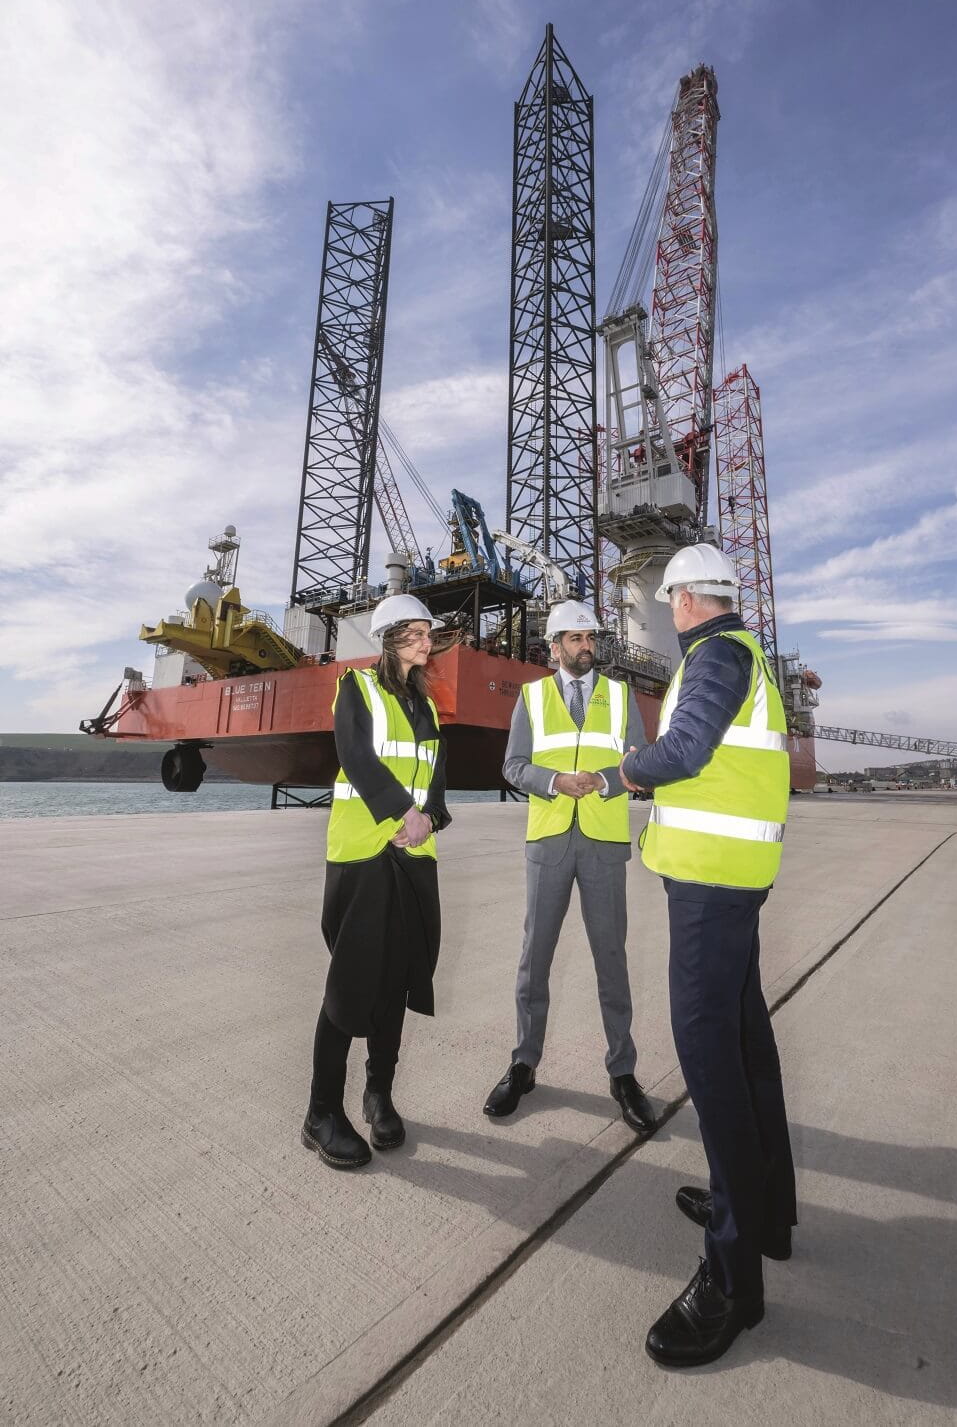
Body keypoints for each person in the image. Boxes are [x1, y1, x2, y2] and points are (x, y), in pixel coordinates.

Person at [619, 543, 796, 1367]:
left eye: (670, 598)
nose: (668, 609)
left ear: (688, 598)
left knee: (709, 1060)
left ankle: (733, 1280)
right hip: (735, 884)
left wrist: (632, 770)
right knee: (746, 1044)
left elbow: (684, 753)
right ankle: (765, 1208)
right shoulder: (742, 653)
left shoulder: (717, 654)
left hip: (710, 893)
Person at [483, 601, 657, 1135]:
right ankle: (524, 1063)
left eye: (590, 638)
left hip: (604, 842)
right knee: (534, 958)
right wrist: (555, 782)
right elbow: (512, 766)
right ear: (553, 646)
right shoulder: (532, 698)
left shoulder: (622, 696)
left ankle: (623, 1073)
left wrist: (604, 781)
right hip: (549, 842)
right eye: (574, 638)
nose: (586, 646)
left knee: (612, 959)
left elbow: (639, 761)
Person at [301, 594, 451, 1171]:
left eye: (428, 632)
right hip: (364, 855)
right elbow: (356, 757)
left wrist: (429, 817)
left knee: (398, 978)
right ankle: (320, 1114)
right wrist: (400, 815)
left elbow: (437, 779)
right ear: (386, 638)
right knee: (351, 983)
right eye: (412, 632)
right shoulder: (356, 689)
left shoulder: (428, 707)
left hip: (414, 857)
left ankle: (378, 1093)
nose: (425, 640)